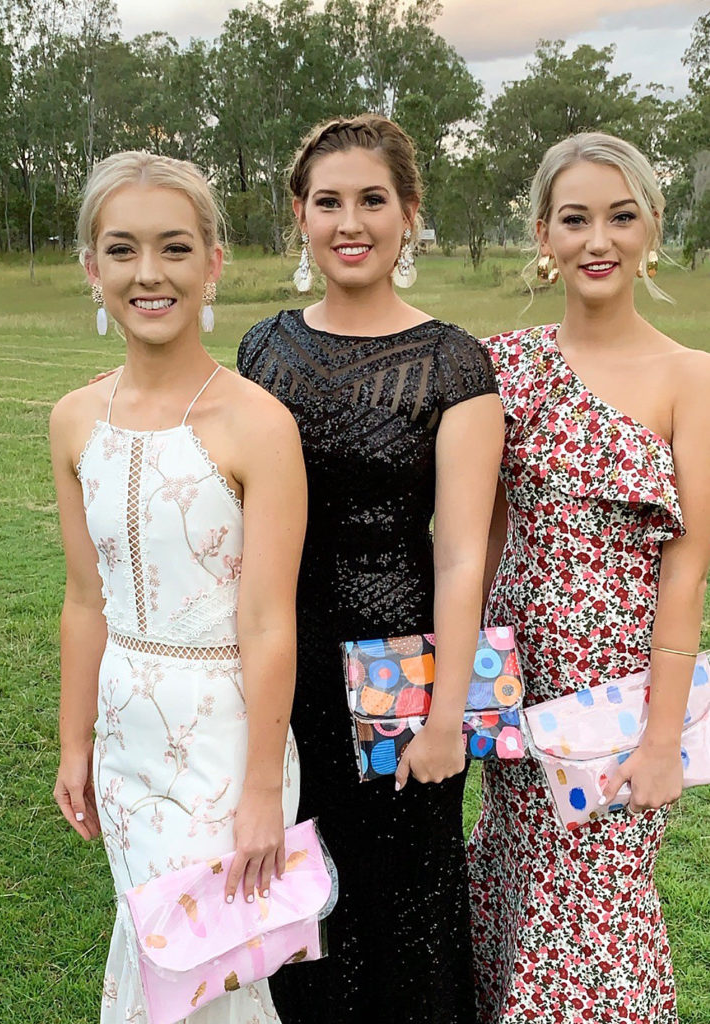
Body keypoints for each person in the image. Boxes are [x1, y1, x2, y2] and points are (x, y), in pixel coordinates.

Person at [236, 114, 504, 1023]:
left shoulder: (454, 363)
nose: (351, 222)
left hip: (403, 675)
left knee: (407, 904)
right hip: (284, 664)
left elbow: (463, 552)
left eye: (373, 200)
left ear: (410, 213)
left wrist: (446, 715)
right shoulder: (262, 350)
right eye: (328, 201)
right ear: (301, 220)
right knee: (301, 897)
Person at [51, 151, 306, 1024]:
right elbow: (86, 598)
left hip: (227, 741)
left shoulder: (258, 423)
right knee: (151, 951)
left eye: (174, 248)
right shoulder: (74, 420)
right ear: (92, 268)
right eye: (122, 250)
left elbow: (271, 621)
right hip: (125, 735)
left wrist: (263, 792)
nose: (148, 274)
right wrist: (72, 741)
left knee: (213, 976)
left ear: (213, 263)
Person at [469, 132, 710, 1023]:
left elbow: (686, 579)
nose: (597, 239)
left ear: (651, 230)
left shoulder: (693, 379)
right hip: (515, 683)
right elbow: (478, 543)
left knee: (599, 924)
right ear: (544, 232)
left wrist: (659, 742)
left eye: (620, 216)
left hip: (614, 710)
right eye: (575, 219)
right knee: (519, 897)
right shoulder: (502, 365)